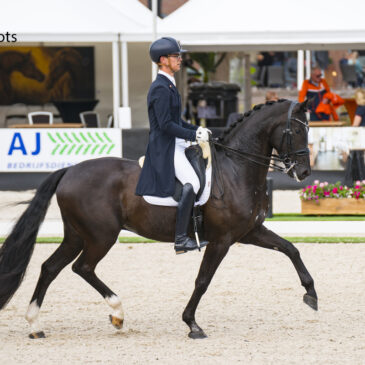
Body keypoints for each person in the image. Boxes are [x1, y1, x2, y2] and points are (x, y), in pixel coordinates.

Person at [135, 37, 210, 254]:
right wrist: (192, 134)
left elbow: (177, 121)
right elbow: (166, 125)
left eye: (179, 55)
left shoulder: (169, 84)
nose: (180, 59)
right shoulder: (160, 88)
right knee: (192, 183)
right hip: (165, 147)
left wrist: (197, 130)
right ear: (163, 60)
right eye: (176, 56)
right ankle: (180, 239)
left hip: (176, 143)